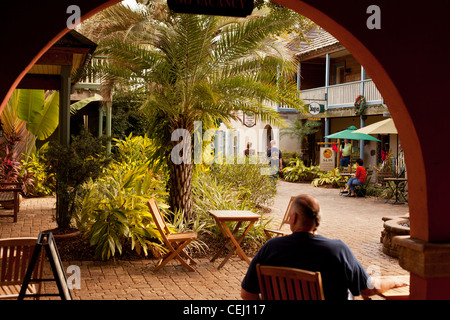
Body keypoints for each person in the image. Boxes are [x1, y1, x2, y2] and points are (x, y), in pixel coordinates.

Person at [241, 194, 407, 300]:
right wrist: (394, 280)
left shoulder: (271, 248)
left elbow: (247, 294)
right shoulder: (337, 250)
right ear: (317, 220)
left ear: (293, 218)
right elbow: (369, 289)